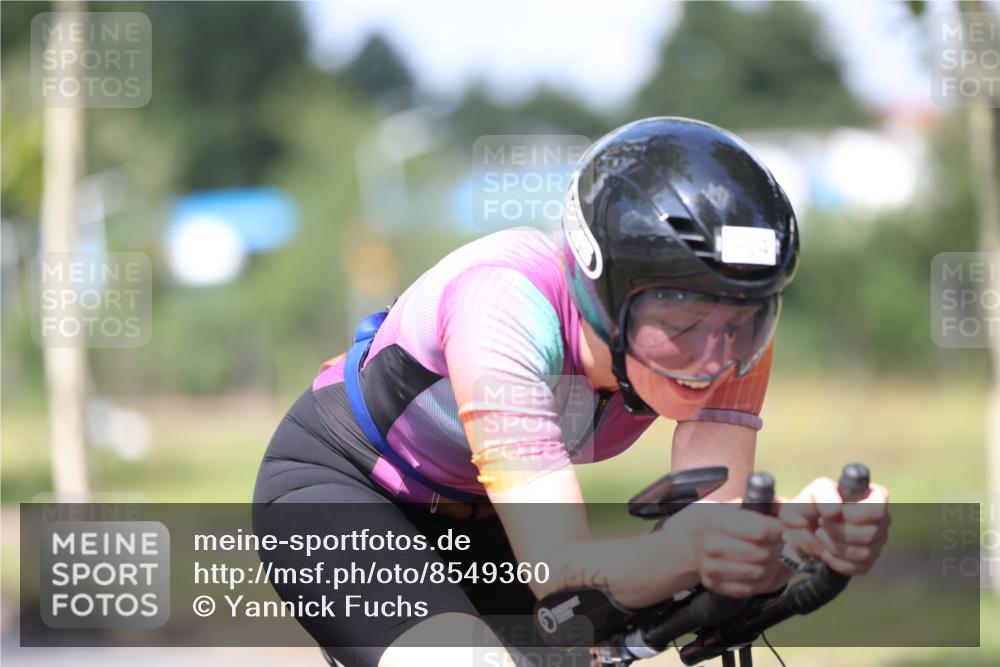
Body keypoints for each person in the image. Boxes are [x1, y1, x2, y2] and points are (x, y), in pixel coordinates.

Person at [253, 117, 890, 667]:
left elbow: (706, 531)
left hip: (489, 525)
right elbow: (560, 570)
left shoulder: (735, 334)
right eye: (680, 325)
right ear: (601, 296)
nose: (716, 356)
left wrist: (795, 537)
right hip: (348, 489)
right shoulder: (503, 305)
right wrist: (693, 548)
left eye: (743, 322)